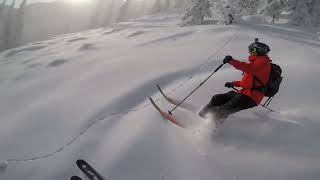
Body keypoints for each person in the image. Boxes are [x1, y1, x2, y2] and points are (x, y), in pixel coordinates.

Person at [198, 39, 272, 124]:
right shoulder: (257, 63)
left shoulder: (263, 62)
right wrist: (233, 83)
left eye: (252, 50)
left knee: (222, 110)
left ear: (260, 50)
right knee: (216, 98)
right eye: (250, 50)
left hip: (251, 97)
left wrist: (231, 61)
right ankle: (201, 115)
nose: (250, 52)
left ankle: (210, 130)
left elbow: (248, 68)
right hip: (244, 93)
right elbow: (247, 82)